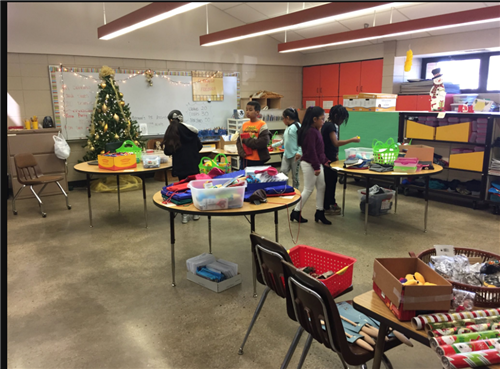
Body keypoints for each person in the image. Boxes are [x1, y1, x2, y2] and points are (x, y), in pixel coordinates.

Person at [290, 106, 331, 225]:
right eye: (322, 119)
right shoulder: (310, 132)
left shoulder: (315, 130)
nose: (323, 121)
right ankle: (296, 211)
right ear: (314, 119)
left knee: (321, 187)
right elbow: (311, 151)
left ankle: (320, 212)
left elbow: (319, 150)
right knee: (308, 189)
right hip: (310, 164)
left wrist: (325, 160)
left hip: (316, 163)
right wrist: (317, 167)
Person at [161, 109, 202, 224]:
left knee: (183, 189)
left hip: (180, 166)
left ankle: (185, 214)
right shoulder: (191, 130)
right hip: (193, 165)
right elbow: (199, 146)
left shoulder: (172, 131)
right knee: (193, 188)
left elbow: (168, 151)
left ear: (170, 120)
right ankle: (195, 213)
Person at [321, 105, 360, 215]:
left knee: (331, 183)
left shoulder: (330, 125)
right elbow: (336, 142)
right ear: (336, 116)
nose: (342, 121)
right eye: (342, 119)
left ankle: (330, 204)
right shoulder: (330, 126)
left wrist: (336, 153)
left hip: (331, 158)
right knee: (329, 184)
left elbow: (332, 144)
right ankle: (328, 206)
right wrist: (352, 140)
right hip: (328, 160)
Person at [271, 107, 302, 189]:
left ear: (287, 118)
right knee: (283, 172)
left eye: (283, 118)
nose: (283, 120)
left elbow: (302, 140)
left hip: (295, 155)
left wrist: (299, 151)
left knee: (295, 176)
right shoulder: (288, 127)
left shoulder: (298, 126)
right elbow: (284, 141)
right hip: (286, 154)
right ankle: (284, 189)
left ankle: (296, 190)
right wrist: (273, 145)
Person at [236, 101, 271, 169]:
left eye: (250, 110)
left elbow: (264, 141)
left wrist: (246, 141)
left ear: (257, 112)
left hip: (258, 159)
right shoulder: (244, 125)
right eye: (246, 109)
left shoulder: (262, 124)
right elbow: (239, 141)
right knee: (243, 178)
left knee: (256, 178)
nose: (247, 112)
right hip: (245, 159)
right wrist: (241, 153)